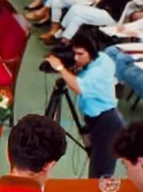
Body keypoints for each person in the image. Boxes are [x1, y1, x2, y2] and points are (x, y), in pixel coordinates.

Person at [44, 33, 123, 178]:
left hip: (107, 123)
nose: (76, 58)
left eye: (80, 54)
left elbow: (79, 87)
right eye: (74, 53)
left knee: (100, 172)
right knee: (96, 165)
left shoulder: (99, 70)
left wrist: (61, 69)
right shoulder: (101, 59)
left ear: (91, 51)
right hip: (96, 120)